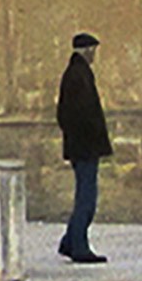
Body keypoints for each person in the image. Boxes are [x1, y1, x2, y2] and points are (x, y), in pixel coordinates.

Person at [56, 31, 112, 264]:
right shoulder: (78, 76)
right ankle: (78, 246)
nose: (95, 55)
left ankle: (70, 241)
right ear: (87, 50)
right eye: (93, 50)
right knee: (86, 199)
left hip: (82, 146)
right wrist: (90, 139)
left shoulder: (76, 74)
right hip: (85, 148)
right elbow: (80, 114)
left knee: (85, 196)